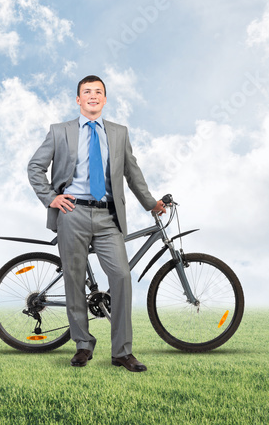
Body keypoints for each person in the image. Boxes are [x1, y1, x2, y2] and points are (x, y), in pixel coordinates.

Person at [28, 75, 165, 372]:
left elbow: (133, 173)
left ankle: (122, 352)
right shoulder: (59, 131)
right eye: (86, 92)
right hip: (71, 214)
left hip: (107, 216)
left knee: (122, 277)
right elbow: (35, 167)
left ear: (104, 99)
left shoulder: (119, 133)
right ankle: (82, 345)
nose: (93, 96)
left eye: (98, 92)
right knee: (74, 281)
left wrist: (151, 203)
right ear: (78, 100)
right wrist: (51, 198)